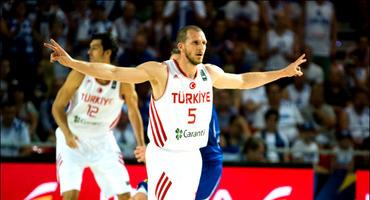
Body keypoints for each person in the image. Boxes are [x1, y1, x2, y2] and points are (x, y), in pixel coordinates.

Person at [44, 25, 305, 199]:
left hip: (193, 157)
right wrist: (71, 62)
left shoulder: (209, 73)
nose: (201, 47)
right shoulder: (161, 71)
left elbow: (245, 80)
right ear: (181, 46)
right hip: (165, 156)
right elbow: (113, 72)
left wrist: (282, 72)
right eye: (194, 42)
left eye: (203, 42)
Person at [51, 33, 144, 200]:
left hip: (103, 140)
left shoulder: (123, 81)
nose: (89, 52)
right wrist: (67, 133)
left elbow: (133, 111)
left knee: (125, 195)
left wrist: (141, 144)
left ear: (107, 53)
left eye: (94, 48)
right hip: (72, 139)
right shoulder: (79, 74)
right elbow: (57, 106)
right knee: (70, 196)